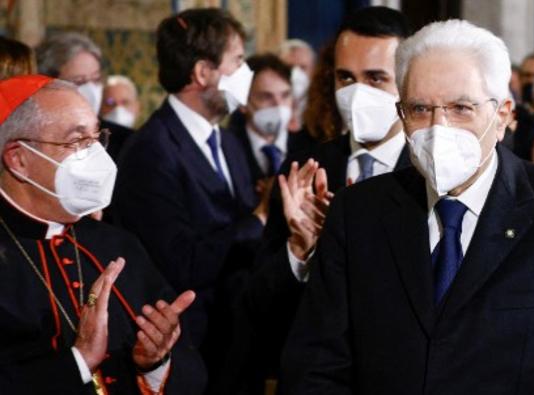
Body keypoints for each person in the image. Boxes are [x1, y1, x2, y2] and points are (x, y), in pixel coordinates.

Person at [281, 19, 534, 394]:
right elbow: (316, 365)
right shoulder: (358, 211)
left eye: (461, 108)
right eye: (419, 109)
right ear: (401, 113)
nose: (438, 127)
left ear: (504, 115)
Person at [222, 6, 413, 394]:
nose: (358, 92)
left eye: (376, 78)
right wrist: (298, 252)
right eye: (346, 77)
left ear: (409, 82)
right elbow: (258, 302)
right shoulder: (304, 168)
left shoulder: (432, 173)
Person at [0, 75, 206, 394]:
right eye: (77, 141)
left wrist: (153, 363)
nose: (95, 155)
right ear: (19, 159)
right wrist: (79, 360)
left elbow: (192, 369)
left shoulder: (117, 243)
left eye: (97, 138)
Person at [112, 8, 269, 390]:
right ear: (203, 73)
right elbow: (180, 262)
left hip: (239, 339)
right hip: (193, 351)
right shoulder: (151, 151)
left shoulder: (228, 140)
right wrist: (260, 219)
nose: (246, 72)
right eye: (238, 61)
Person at [35, 32, 132, 161]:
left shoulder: (125, 142)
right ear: (49, 83)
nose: (91, 90)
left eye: (96, 79)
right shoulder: (35, 140)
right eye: (79, 82)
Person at [229, 54, 315, 185]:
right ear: (243, 103)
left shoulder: (311, 146)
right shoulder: (227, 150)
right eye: (266, 97)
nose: (278, 105)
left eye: (285, 95)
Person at [278, 39, 316, 131]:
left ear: (313, 71)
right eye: (289, 67)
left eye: (303, 67)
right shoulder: (270, 105)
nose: (296, 74)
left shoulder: (322, 110)